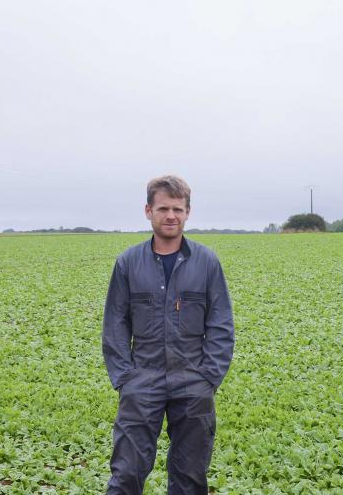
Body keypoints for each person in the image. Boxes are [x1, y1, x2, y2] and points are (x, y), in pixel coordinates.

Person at [102, 175, 234, 494]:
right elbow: (115, 323)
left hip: (192, 382)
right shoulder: (128, 263)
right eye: (163, 208)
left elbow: (221, 324)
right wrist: (125, 377)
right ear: (149, 211)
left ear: (188, 212)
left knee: (190, 478)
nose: (170, 215)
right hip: (141, 381)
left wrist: (208, 378)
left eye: (177, 208)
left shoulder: (206, 262)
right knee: (127, 475)